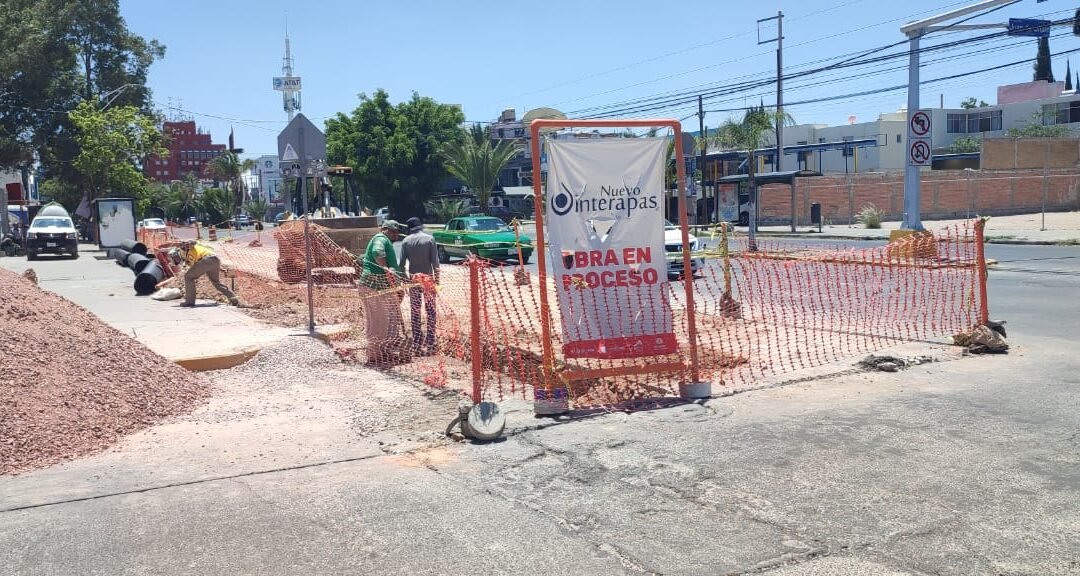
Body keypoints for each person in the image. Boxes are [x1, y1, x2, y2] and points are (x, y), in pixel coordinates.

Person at [359, 219, 410, 365]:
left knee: (386, 320)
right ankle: (375, 355)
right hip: (375, 287)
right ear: (386, 229)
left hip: (380, 287)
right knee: (378, 322)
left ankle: (384, 352)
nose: (395, 236)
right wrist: (387, 269)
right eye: (394, 233)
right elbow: (377, 251)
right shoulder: (381, 239)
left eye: (397, 233)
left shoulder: (384, 239)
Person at [400, 216, 439, 354]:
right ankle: (430, 342)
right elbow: (435, 263)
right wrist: (437, 281)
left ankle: (416, 343)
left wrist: (405, 280)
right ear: (421, 226)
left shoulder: (405, 241)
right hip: (428, 280)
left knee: (415, 311)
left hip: (413, 281)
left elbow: (401, 265)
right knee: (431, 311)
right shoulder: (429, 239)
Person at [162, 239, 241, 307]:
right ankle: (234, 300)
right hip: (214, 260)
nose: (176, 260)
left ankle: (189, 302)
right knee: (216, 283)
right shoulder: (187, 261)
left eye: (175, 258)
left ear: (176, 253)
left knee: (188, 277)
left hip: (206, 259)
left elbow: (193, 242)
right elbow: (197, 268)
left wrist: (178, 243)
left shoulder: (183, 249)